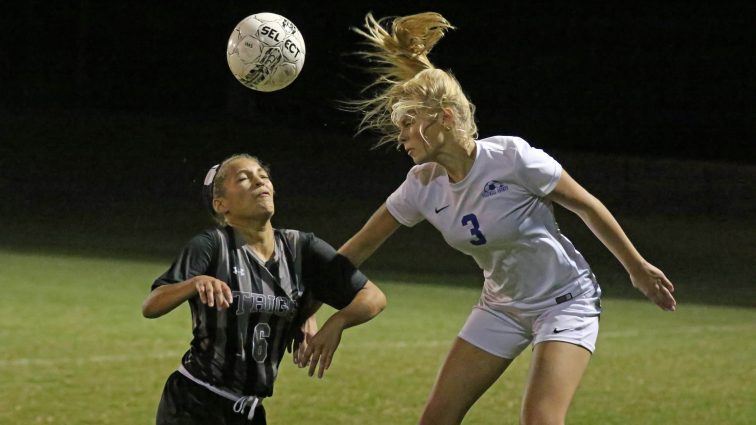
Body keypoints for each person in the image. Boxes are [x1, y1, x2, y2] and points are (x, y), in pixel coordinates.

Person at [338, 12, 677, 425]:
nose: (401, 135)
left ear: (444, 118)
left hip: (565, 302)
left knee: (541, 420)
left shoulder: (512, 159)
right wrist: (307, 305)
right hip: (501, 307)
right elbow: (359, 247)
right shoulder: (421, 185)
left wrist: (636, 268)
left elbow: (586, 204)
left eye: (409, 123)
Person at [142, 154, 386, 425]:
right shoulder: (212, 246)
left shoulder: (301, 248)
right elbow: (152, 305)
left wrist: (337, 321)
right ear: (221, 204)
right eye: (244, 178)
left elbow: (373, 297)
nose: (259, 180)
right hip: (194, 402)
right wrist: (194, 282)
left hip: (249, 411)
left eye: (263, 175)